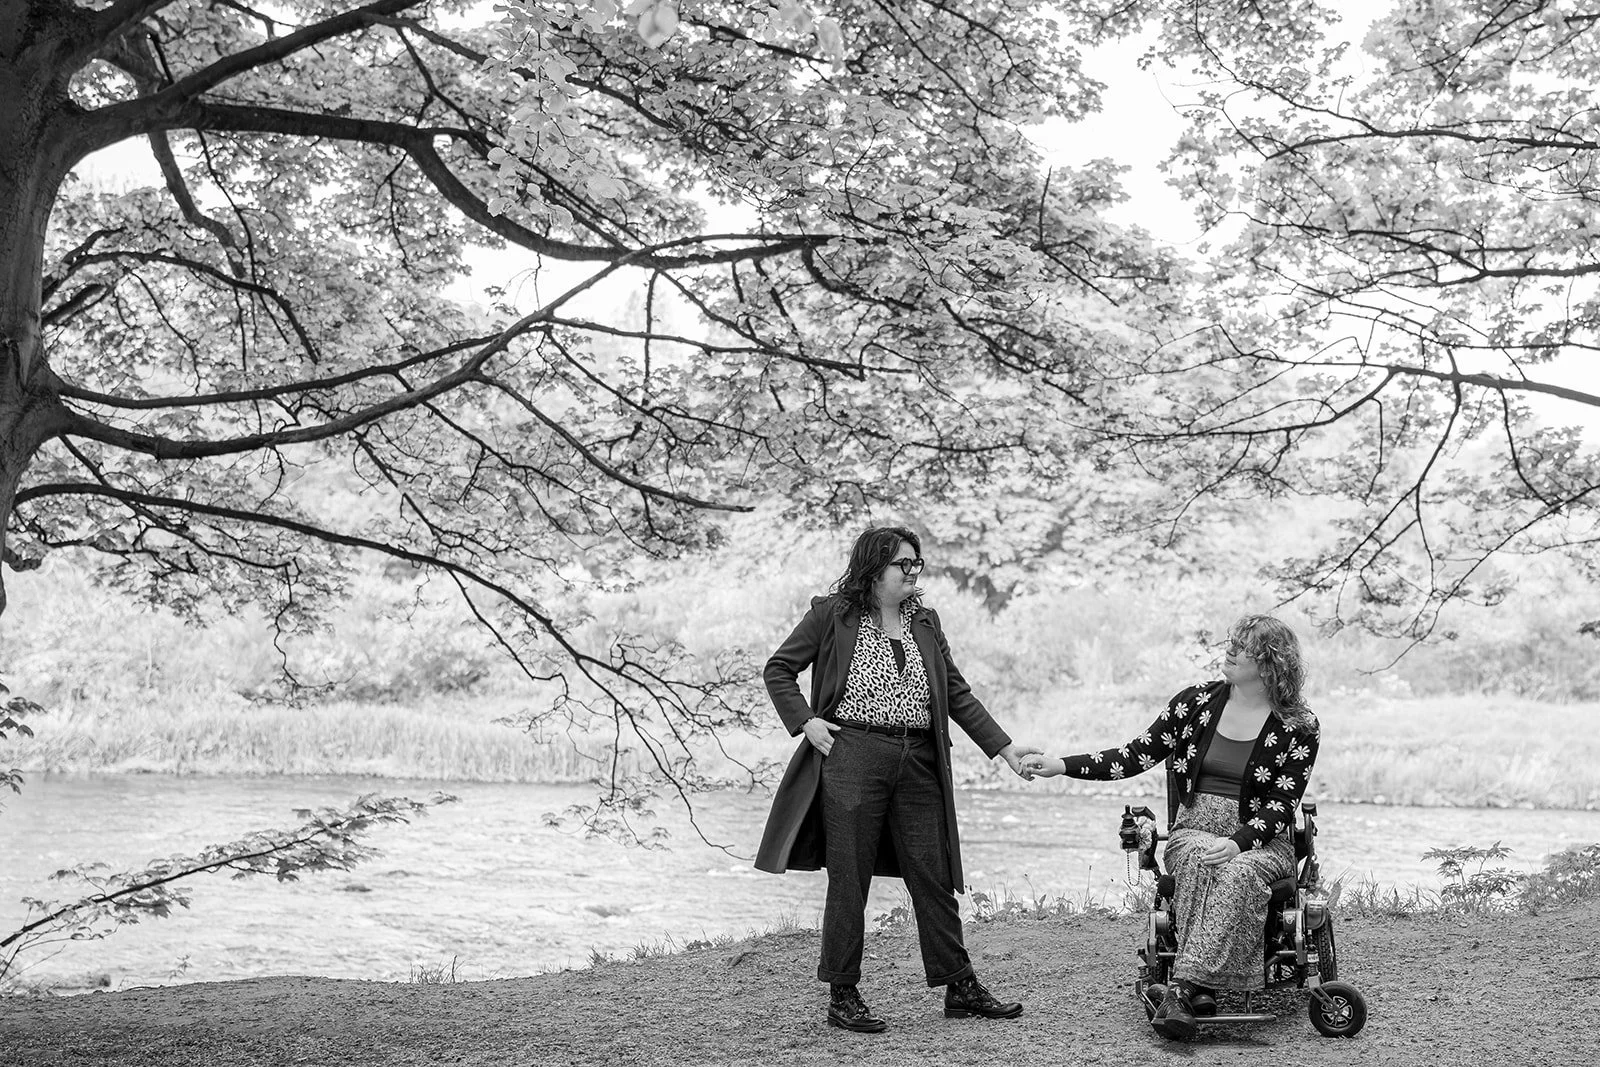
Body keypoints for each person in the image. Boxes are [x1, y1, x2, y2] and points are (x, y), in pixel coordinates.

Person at [754, 525, 1039, 1034]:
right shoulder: (833, 614)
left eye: (916, 564)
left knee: (933, 873)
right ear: (873, 568)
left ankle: (960, 985)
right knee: (849, 877)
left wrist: (1005, 749)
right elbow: (779, 669)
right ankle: (843, 994)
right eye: (901, 564)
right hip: (854, 754)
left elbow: (956, 694)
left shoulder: (925, 622)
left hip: (919, 758)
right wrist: (806, 720)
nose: (911, 573)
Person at [1022, 614, 1320, 1041]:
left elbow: (1280, 806)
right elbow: (1133, 755)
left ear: (1270, 663)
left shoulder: (1300, 727)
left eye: (1243, 646)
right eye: (1230, 641)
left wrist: (1237, 843)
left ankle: (1183, 990)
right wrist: (1062, 766)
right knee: (1202, 858)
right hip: (1194, 828)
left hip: (1260, 840)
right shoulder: (1195, 703)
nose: (1229, 650)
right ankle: (1199, 985)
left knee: (1232, 868)